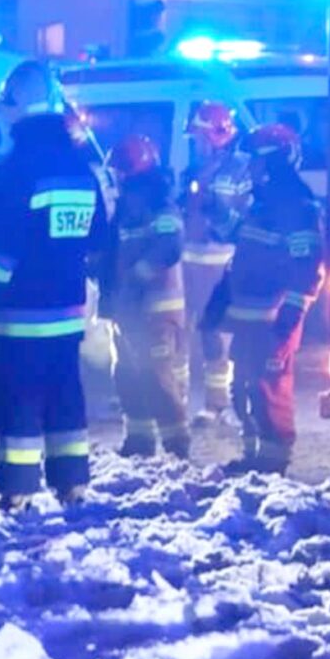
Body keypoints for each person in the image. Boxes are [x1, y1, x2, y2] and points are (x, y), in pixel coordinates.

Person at [0, 60, 111, 508]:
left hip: (21, 312)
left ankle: (18, 490)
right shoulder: (80, 166)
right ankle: (72, 484)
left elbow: (0, 246)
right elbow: (99, 236)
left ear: (18, 108)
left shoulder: (17, 168)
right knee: (65, 395)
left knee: (17, 400)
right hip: (68, 312)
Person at [203, 122, 323, 474]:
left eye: (255, 162)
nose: (249, 169)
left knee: (269, 390)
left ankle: (273, 463)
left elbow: (309, 265)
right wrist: (213, 209)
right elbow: (239, 237)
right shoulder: (264, 205)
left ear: (274, 164)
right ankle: (254, 455)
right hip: (250, 319)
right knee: (243, 388)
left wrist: (293, 309)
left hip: (274, 319)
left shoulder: (296, 208)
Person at [98, 133, 188, 459]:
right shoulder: (123, 209)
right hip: (127, 311)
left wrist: (137, 277)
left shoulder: (160, 206)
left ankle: (177, 446)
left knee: (157, 378)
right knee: (127, 375)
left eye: (119, 170)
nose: (115, 177)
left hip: (155, 311)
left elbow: (169, 247)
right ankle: (139, 441)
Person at [181, 101, 256, 429]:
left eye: (198, 136)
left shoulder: (242, 168)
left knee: (225, 334)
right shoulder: (197, 169)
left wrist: (216, 210)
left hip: (223, 262)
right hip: (193, 263)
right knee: (202, 336)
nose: (195, 143)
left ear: (216, 135)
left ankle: (230, 404)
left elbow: (246, 218)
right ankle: (211, 404)